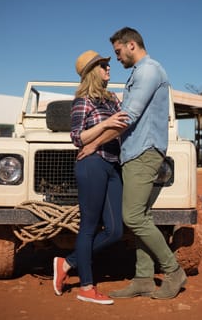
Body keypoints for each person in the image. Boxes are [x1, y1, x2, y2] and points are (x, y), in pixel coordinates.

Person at [77, 27, 187, 300]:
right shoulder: (139, 74)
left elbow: (129, 117)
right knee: (143, 216)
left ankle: (173, 271)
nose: (117, 59)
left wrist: (93, 143)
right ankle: (143, 279)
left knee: (133, 217)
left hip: (143, 152)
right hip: (135, 153)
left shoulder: (149, 71)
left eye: (118, 52)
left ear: (131, 45)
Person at [52, 50, 128, 305]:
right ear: (91, 72)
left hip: (113, 165)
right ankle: (86, 287)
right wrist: (105, 125)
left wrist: (113, 125)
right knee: (89, 227)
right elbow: (76, 138)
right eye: (103, 65)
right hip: (91, 164)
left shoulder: (113, 99)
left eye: (107, 64)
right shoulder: (83, 100)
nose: (109, 68)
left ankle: (68, 262)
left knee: (116, 230)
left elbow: (124, 124)